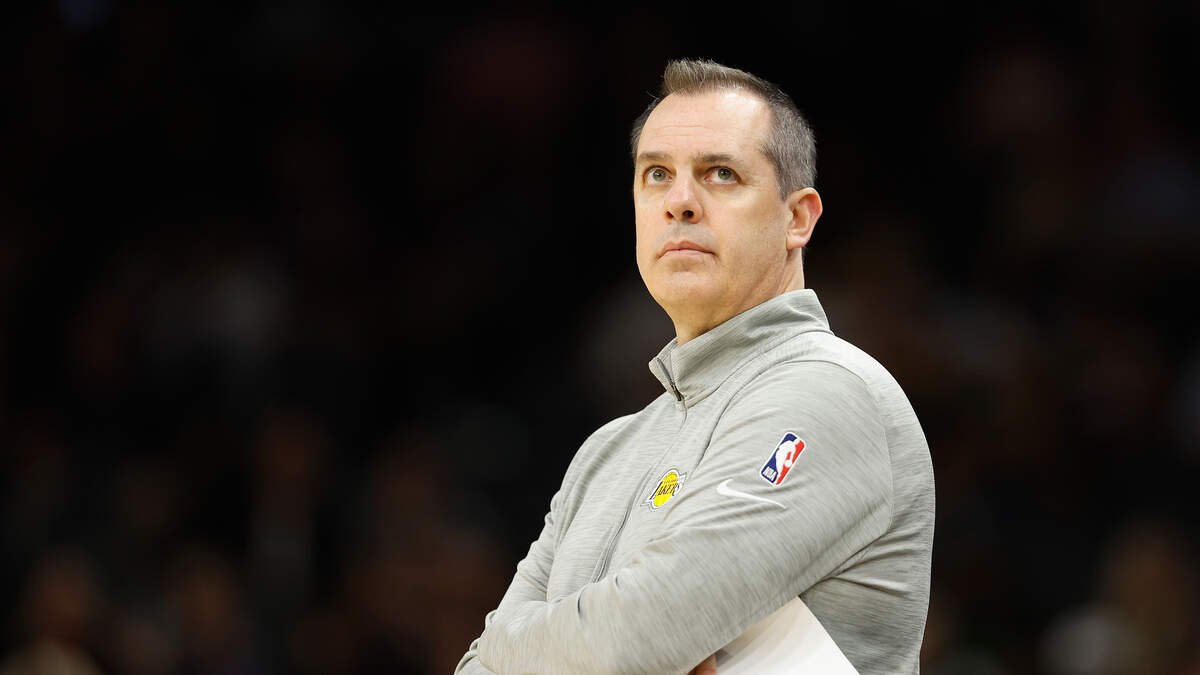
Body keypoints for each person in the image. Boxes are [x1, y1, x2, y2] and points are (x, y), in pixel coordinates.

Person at [455, 59, 935, 674]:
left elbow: (642, 635)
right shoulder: (606, 452)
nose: (679, 202)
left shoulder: (831, 392)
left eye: (720, 174)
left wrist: (508, 642)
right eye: (657, 174)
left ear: (797, 218)